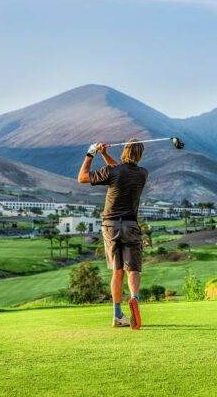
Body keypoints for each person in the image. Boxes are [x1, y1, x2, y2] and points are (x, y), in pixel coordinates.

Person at [77, 139, 148, 330]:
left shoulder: (113, 172)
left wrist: (91, 152)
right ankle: (134, 299)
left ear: (125, 151)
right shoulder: (142, 174)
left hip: (110, 226)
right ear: (140, 155)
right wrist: (105, 155)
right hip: (131, 226)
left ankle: (117, 315)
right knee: (132, 269)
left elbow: (82, 177)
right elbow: (120, 170)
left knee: (117, 272)